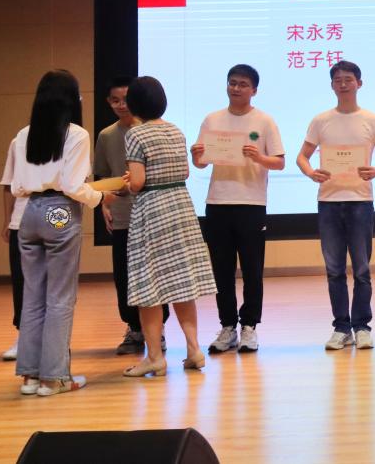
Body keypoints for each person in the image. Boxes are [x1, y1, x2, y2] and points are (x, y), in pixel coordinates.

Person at [9, 69, 116, 396]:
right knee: (60, 297)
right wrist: (99, 197)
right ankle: (54, 378)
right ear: (72, 100)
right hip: (60, 212)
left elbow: (15, 187)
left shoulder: (23, 134)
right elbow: (72, 186)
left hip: (28, 212)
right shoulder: (76, 134)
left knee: (33, 296)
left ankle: (30, 377)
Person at [122, 76, 217, 377]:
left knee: (149, 285)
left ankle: (154, 358)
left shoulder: (135, 134)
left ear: (134, 104)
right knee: (182, 282)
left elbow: (138, 182)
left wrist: (126, 183)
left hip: (152, 209)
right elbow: (185, 171)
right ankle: (194, 350)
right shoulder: (175, 130)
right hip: (180, 207)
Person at [297, 61, 375, 351]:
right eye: (338, 80)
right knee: (334, 270)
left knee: (362, 269)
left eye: (348, 79)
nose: (343, 84)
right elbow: (302, 156)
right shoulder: (321, 120)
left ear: (359, 83)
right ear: (332, 85)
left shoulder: (372, 119)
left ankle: (362, 327)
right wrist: (311, 173)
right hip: (329, 202)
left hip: (360, 201)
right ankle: (341, 328)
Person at [191, 65, 285, 354]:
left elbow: (279, 162)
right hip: (218, 202)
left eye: (243, 84)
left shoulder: (264, 121)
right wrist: (197, 156)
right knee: (221, 270)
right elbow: (200, 163)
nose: (236, 88)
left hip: (251, 203)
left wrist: (259, 157)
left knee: (252, 269)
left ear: (254, 90)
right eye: (232, 83)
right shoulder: (213, 119)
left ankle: (250, 326)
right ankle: (228, 326)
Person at [94, 76, 170, 355]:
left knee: (155, 274)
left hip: (151, 214)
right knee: (124, 275)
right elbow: (102, 175)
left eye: (126, 99)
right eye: (115, 100)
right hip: (122, 214)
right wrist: (104, 204)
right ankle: (134, 328)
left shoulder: (150, 131)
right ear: (108, 102)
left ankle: (157, 331)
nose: (121, 105)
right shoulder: (106, 135)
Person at [0, 138, 28, 361]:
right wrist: (8, 220)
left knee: (56, 284)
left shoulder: (73, 136)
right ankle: (24, 337)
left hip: (57, 215)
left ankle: (54, 343)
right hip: (22, 218)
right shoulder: (20, 140)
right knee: (21, 280)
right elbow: (9, 184)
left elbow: (78, 184)